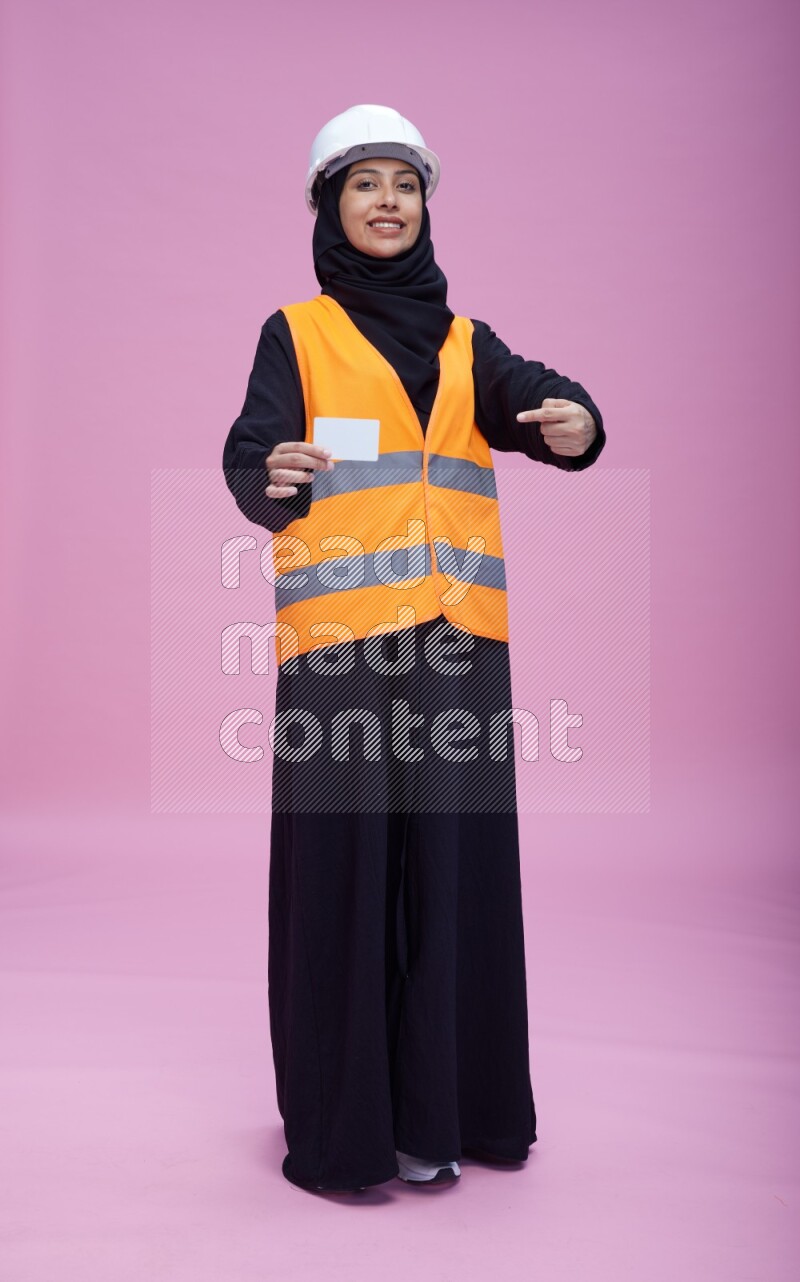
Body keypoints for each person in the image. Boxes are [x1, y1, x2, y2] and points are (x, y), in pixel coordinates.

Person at [222, 104, 606, 1194]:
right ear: (328, 207)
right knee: (342, 879)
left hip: (454, 647)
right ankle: (345, 1135)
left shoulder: (462, 340)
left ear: (425, 205)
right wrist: (270, 476)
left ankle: (449, 1115)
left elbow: (531, 398)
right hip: (340, 650)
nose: (387, 201)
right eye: (363, 183)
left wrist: (572, 418)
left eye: (404, 183)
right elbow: (250, 449)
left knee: (454, 873)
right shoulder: (293, 334)